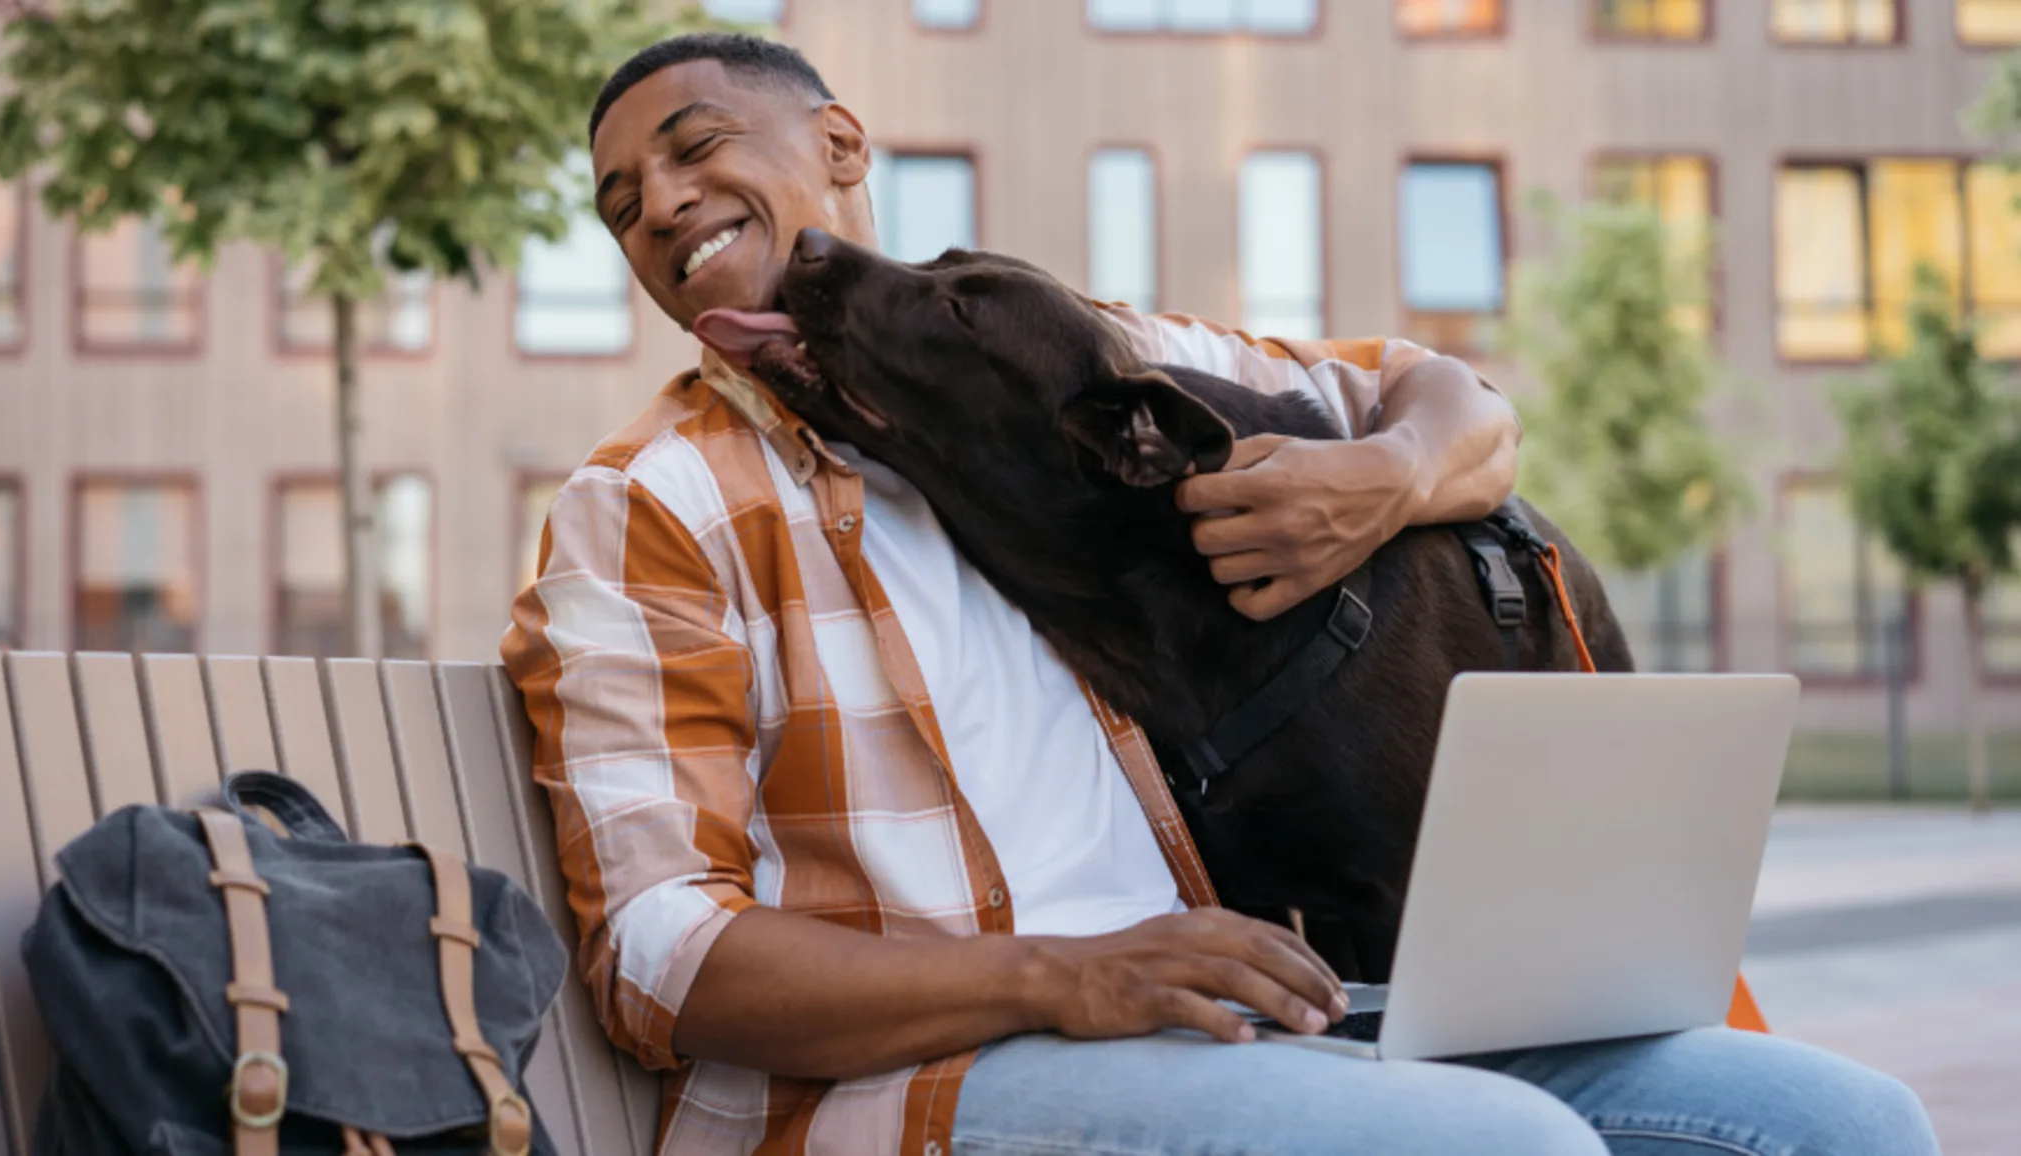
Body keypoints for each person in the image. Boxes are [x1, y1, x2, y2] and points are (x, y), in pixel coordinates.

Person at [502, 32, 1938, 1156]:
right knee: (1498, 1143)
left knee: (1852, 1124)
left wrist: (1390, 472)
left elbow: (1454, 404)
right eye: (623, 206)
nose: (663, 208)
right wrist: (1061, 977)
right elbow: (659, 961)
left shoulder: (1068, 355)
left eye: (693, 150)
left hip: (1238, 1024)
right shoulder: (649, 507)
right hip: (929, 1085)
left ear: (838, 143)